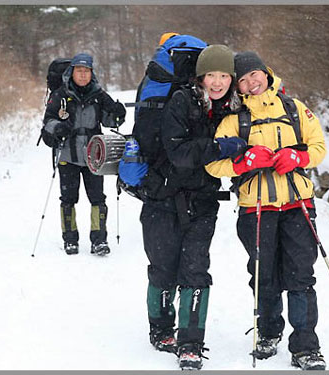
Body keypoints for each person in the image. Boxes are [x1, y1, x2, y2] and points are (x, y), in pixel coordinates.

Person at [119, 44, 246, 370]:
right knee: (164, 269)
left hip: (203, 203)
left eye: (224, 76)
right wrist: (219, 147)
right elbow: (179, 153)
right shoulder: (180, 101)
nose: (217, 82)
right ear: (200, 77)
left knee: (195, 270)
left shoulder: (234, 109)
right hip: (161, 198)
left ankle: (191, 343)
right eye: (211, 75)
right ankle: (161, 330)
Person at [205, 51, 327, 370]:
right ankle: (268, 331)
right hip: (255, 208)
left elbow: (318, 147)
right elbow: (213, 163)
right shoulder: (234, 120)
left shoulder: (295, 109)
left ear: (266, 72)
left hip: (297, 205)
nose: (251, 82)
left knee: (301, 275)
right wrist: (243, 161)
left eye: (254, 74)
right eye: (242, 79)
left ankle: (305, 346)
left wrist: (298, 158)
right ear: (238, 87)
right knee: (264, 275)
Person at [42, 53, 126, 255]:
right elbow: (48, 121)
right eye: (79, 71)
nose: (82, 75)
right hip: (67, 155)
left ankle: (99, 240)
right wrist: (57, 128)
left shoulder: (98, 94)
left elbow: (109, 121)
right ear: (72, 72)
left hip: (93, 156)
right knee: (68, 199)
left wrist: (118, 113)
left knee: (97, 198)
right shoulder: (60, 95)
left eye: (86, 71)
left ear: (91, 73)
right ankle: (70, 240)